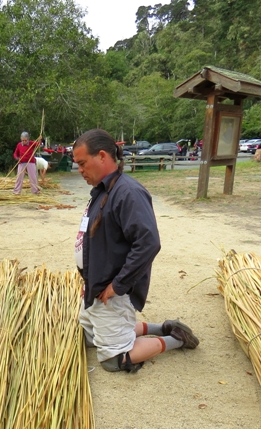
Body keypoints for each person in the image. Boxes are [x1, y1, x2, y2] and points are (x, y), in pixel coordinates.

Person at [73, 129, 199, 373]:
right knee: (90, 338)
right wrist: (89, 278)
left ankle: (176, 339)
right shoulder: (102, 189)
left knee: (112, 360)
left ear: (101, 156)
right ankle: (162, 327)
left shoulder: (128, 193)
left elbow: (148, 243)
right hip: (96, 287)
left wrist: (117, 285)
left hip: (112, 292)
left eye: (82, 163)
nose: (79, 170)